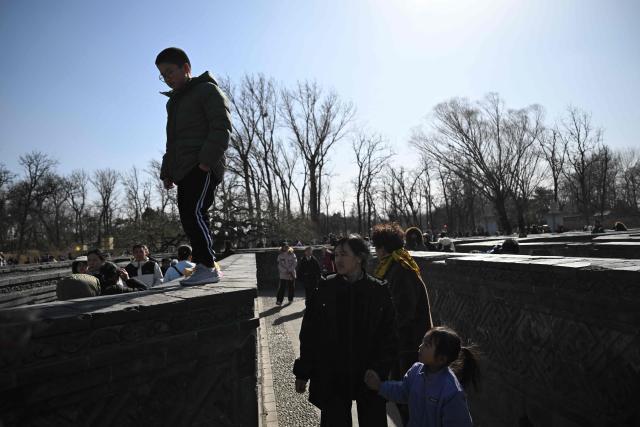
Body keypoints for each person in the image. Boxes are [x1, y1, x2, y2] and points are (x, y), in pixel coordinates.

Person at [293, 235, 398, 426]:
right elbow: (310, 333)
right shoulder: (325, 288)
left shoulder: (377, 290)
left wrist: (380, 369)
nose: (338, 260)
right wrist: (303, 372)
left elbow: (389, 335)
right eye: (336, 254)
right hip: (333, 374)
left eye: (344, 254)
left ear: (359, 258)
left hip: (368, 373)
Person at [156, 47, 232, 286]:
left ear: (186, 68)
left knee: (194, 212)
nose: (167, 78)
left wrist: (205, 162)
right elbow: (172, 141)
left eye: (170, 72)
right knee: (191, 215)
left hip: (203, 164)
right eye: (162, 75)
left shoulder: (207, 90)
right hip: (183, 168)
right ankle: (204, 264)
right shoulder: (174, 103)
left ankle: (208, 266)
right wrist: (167, 171)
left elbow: (221, 127)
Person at [372, 222, 433, 426]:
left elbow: (403, 312)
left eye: (376, 247)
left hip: (409, 345)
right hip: (405, 343)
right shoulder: (396, 265)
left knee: (408, 398)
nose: (375, 251)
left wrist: (384, 336)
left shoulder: (399, 269)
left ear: (383, 248)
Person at [364, 326, 479, 427]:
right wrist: (380, 386)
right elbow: (403, 391)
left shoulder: (452, 393)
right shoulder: (416, 371)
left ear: (441, 359)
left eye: (427, 345)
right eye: (423, 342)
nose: (420, 346)